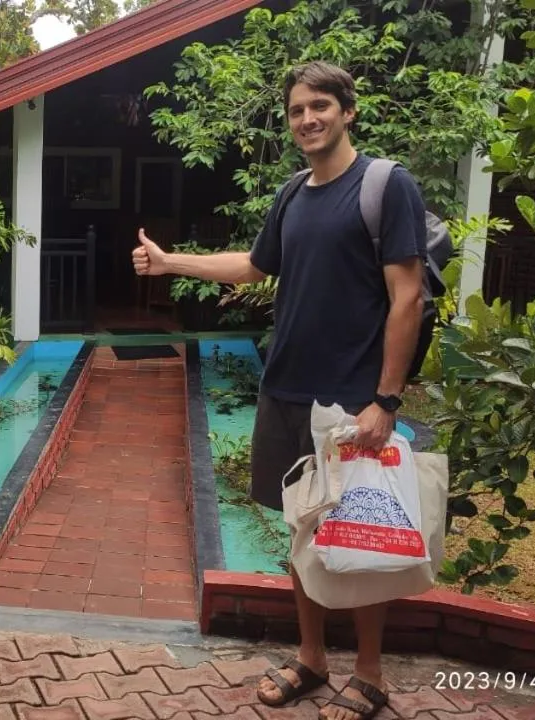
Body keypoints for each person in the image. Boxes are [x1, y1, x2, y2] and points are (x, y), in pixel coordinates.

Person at [132, 62, 426, 720]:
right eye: (296, 110)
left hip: (352, 401)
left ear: (348, 111)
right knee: (301, 533)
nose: (307, 119)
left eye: (320, 106)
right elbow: (255, 267)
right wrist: (171, 261)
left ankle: (371, 673)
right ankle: (313, 657)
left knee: (362, 536)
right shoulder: (294, 194)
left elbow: (407, 298)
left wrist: (386, 400)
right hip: (287, 389)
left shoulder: (385, 186)